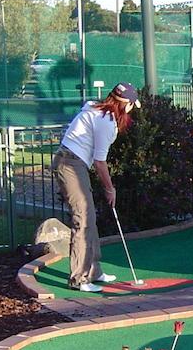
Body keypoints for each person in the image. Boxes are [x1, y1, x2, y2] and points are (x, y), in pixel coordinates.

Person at [51, 82, 139, 292]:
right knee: (82, 218)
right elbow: (100, 162)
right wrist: (110, 189)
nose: (131, 111)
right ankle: (79, 279)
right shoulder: (106, 122)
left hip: (74, 162)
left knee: (89, 216)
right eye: (132, 106)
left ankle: (93, 271)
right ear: (125, 105)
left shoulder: (97, 109)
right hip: (70, 164)